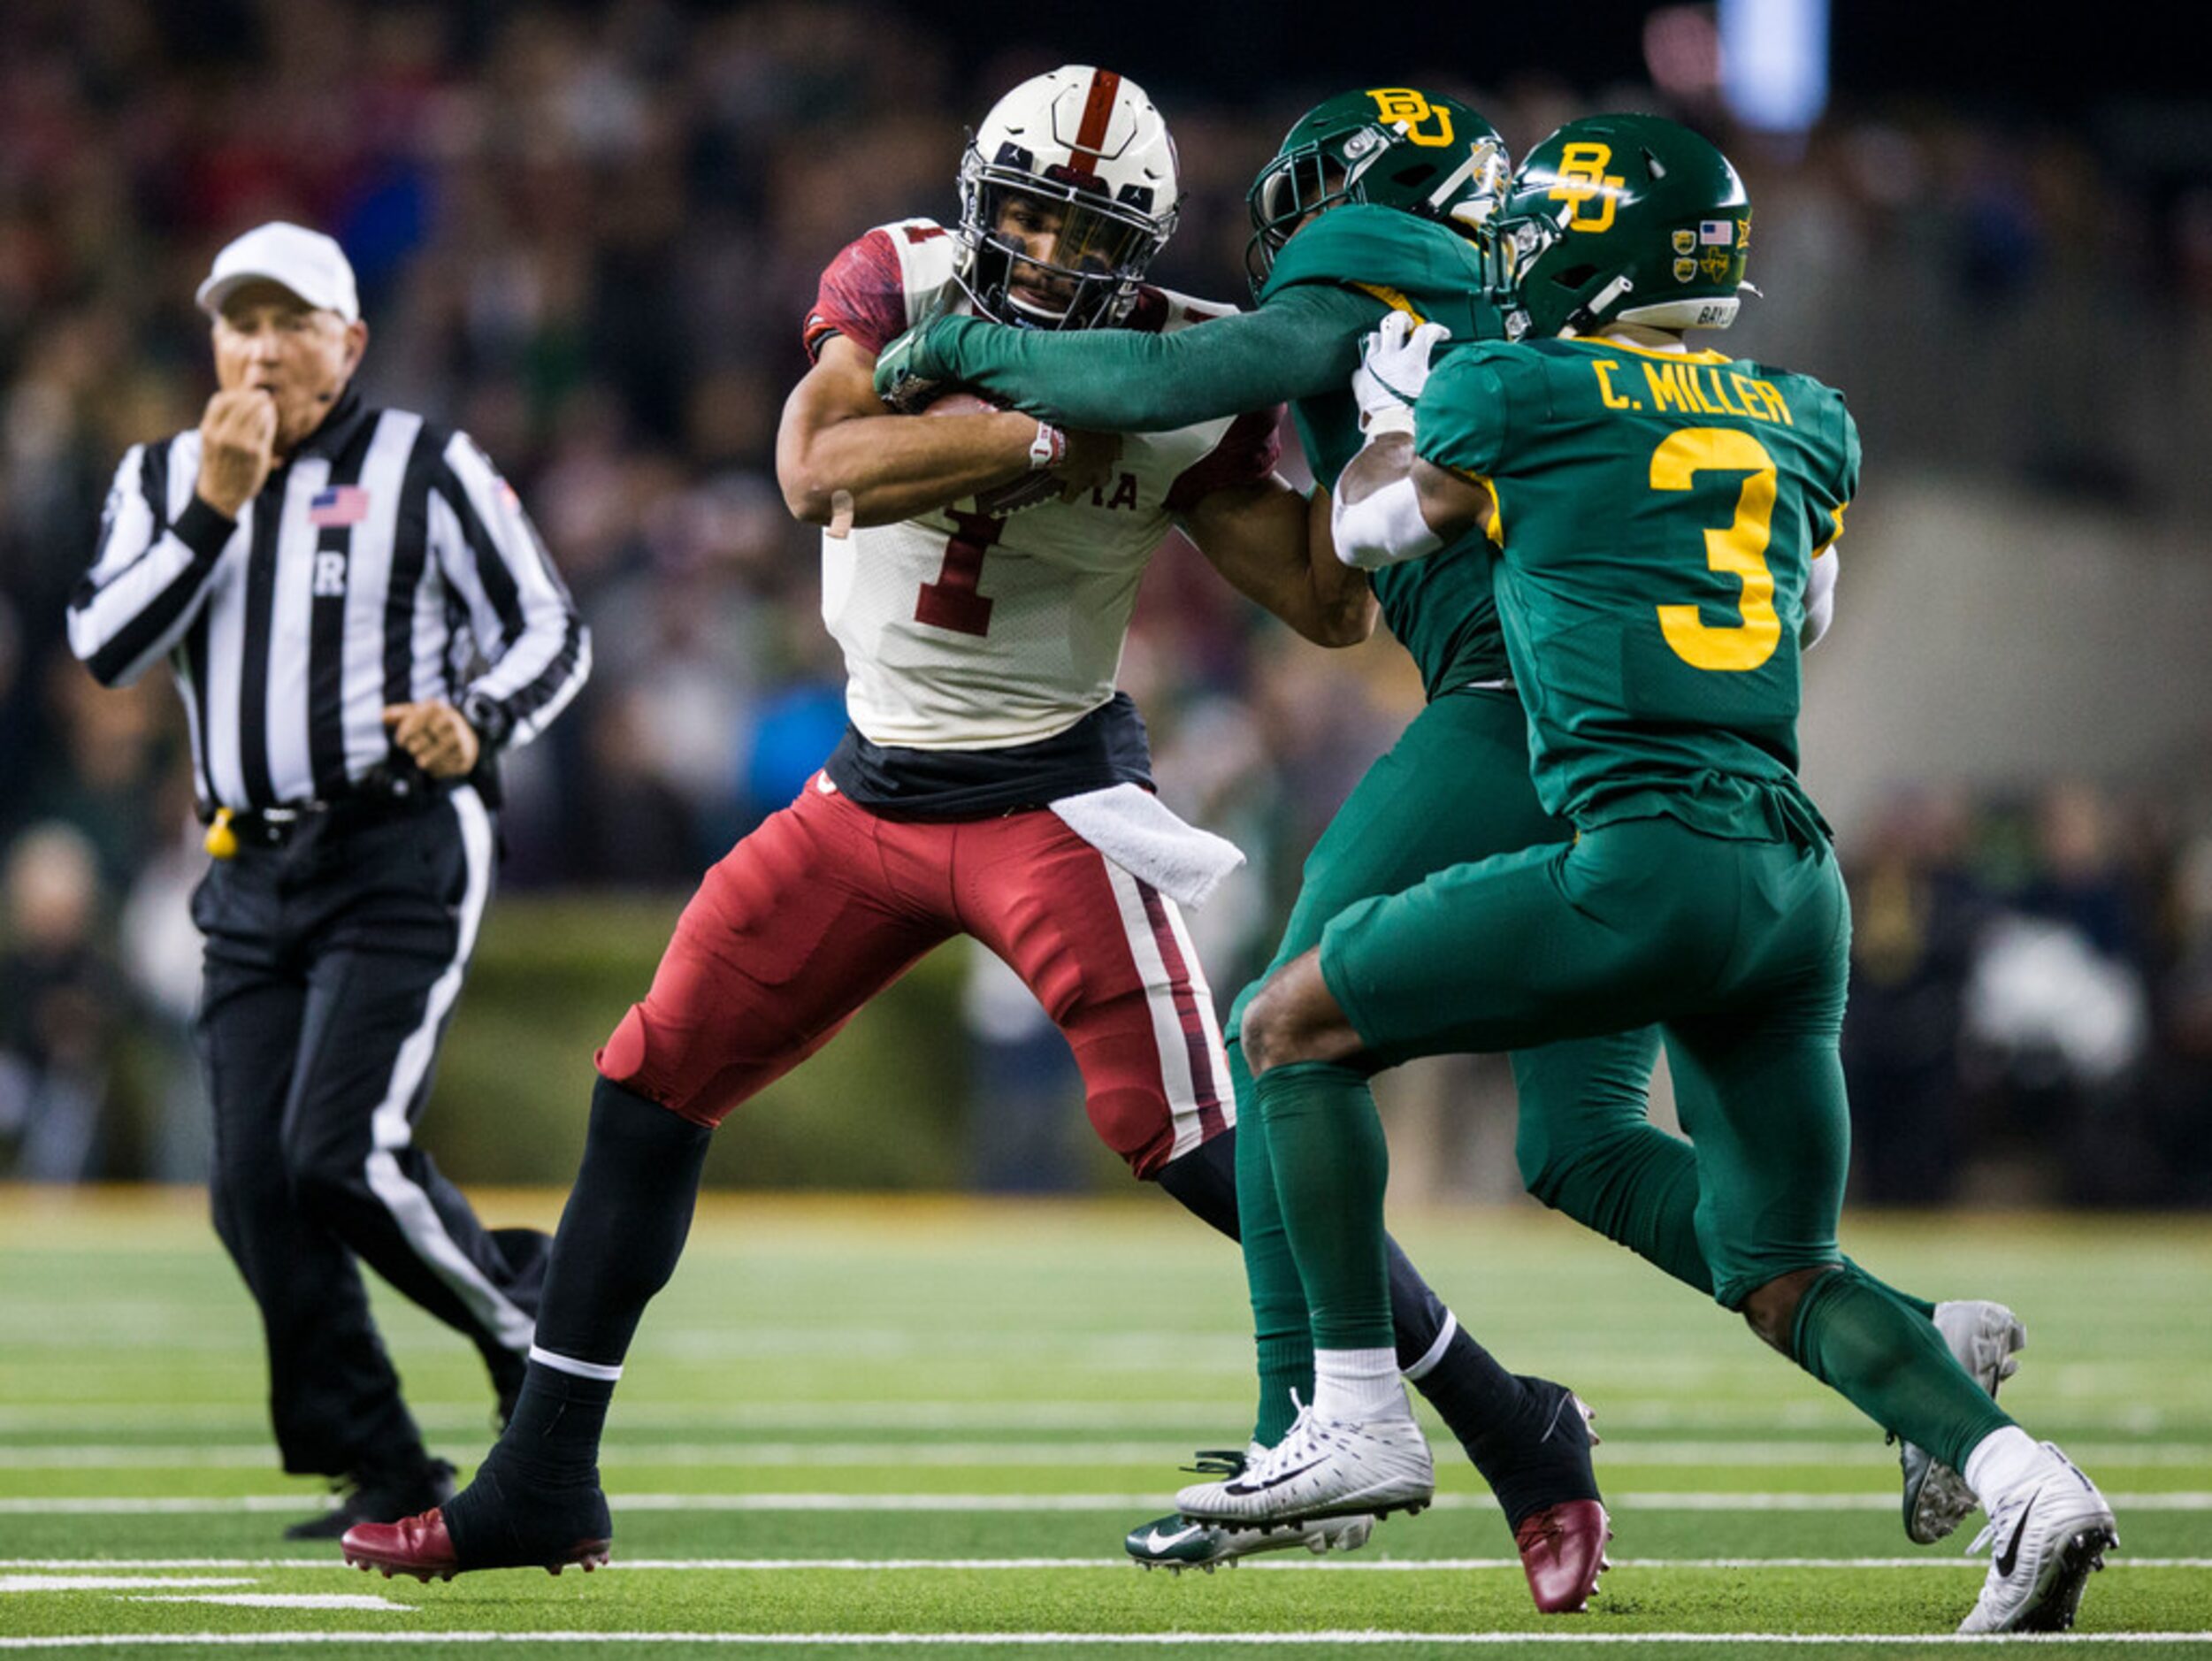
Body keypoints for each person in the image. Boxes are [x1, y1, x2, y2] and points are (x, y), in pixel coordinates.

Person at [337, 68, 1603, 1609]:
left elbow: (1328, 602)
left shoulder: (1192, 363)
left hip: (1053, 798)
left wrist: (1402, 443)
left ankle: (1514, 1423)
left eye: (1086, 234)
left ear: (1139, 248)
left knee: (1209, 1139)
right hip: (870, 794)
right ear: (972, 195)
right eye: (1021, 214)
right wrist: (1030, 432)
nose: (1047, 254)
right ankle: (542, 1475)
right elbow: (815, 471)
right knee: (649, 1077)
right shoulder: (902, 275)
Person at [873, 86, 2023, 1570]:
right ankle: (1921, 1363)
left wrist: (974, 347)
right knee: (1585, 1145)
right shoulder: (1517, 301)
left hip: (1518, 703)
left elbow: (1204, 371)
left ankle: (1322, 1421)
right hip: (1642, 733)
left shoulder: (1369, 256)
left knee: (1282, 1024)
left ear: (1352, 192)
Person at [1175, 114, 2119, 1637]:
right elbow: (1799, 612)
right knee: (1766, 1255)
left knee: (1289, 1024)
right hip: (1789, 877)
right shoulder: (1799, 410)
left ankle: (1346, 1409)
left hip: (1634, 854)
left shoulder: (1509, 382)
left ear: (1572, 245)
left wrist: (1421, 428)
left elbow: (1354, 536)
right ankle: (2021, 1477)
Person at [65, 222, 590, 1536]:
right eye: (236, 321)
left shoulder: (427, 464)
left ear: (346, 344)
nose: (256, 346)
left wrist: (477, 719)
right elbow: (105, 650)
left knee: (338, 1150)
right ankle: (382, 1453)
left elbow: (553, 631)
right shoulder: (164, 477)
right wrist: (212, 507)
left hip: (397, 841)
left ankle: (528, 1318)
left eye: (288, 322)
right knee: (253, 1186)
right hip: (245, 859)